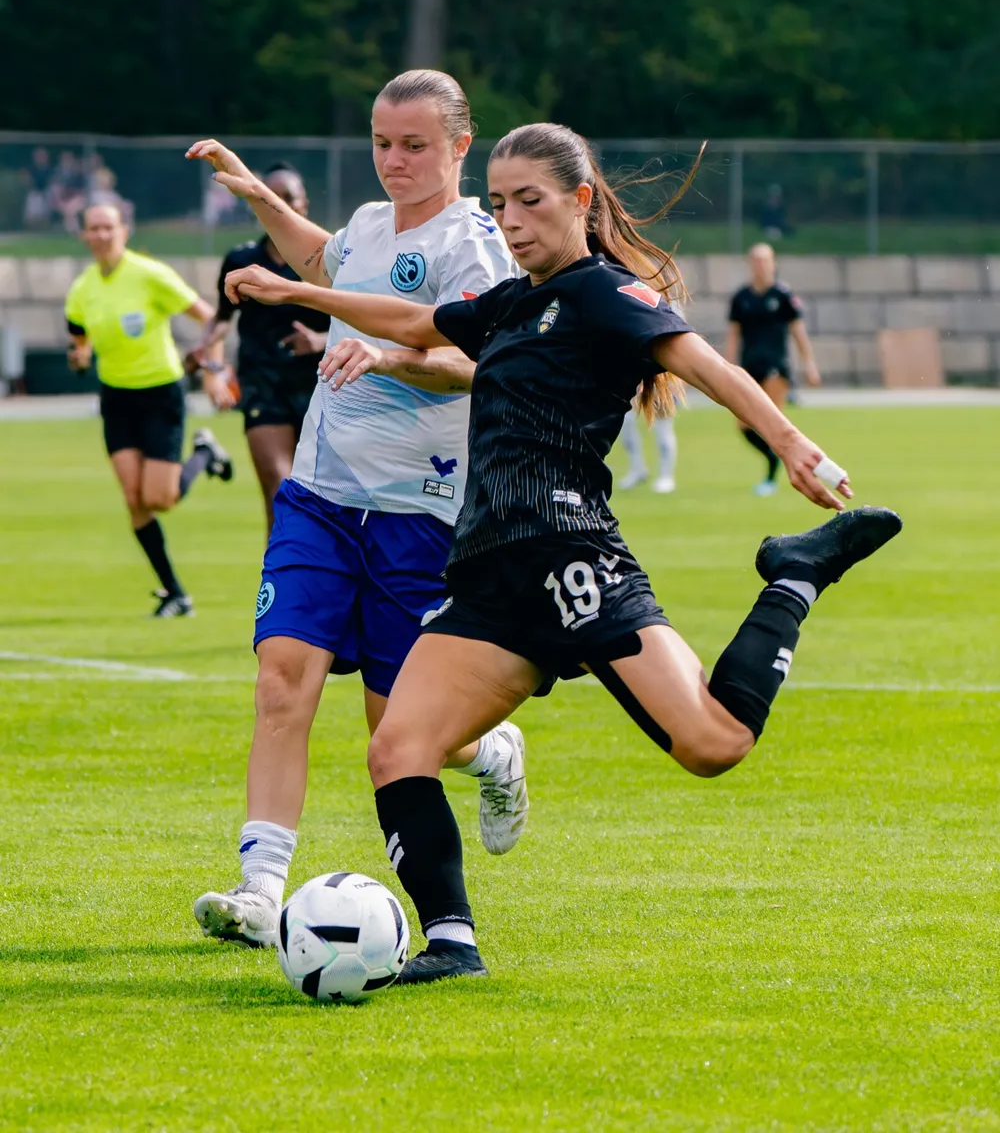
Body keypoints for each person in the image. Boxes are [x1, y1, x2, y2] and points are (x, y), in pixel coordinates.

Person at [224, 120, 902, 984]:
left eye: (531, 202)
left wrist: (791, 441)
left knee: (714, 743)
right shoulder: (513, 302)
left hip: (573, 563)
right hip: (487, 579)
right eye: (501, 204)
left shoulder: (603, 294)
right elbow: (414, 319)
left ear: (580, 201)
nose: (510, 222)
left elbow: (702, 365)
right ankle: (453, 945)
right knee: (397, 749)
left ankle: (797, 575)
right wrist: (302, 297)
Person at [185, 70, 528, 950]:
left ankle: (490, 752)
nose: (394, 161)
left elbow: (474, 366)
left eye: (415, 144)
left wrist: (385, 357)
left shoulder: (475, 246)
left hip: (420, 513)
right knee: (281, 680)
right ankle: (261, 889)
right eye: (382, 142)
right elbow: (320, 262)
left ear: (460, 146)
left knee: (400, 728)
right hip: (323, 498)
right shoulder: (372, 225)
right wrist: (259, 193)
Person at [64, 201, 234, 618]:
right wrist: (80, 357)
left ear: (124, 229)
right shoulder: (82, 289)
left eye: (109, 227)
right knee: (133, 499)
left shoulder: (150, 275)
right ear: (84, 236)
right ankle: (175, 593)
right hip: (116, 399)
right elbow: (79, 341)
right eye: (94, 229)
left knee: (160, 498)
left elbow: (211, 318)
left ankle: (204, 454)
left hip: (161, 394)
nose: (101, 235)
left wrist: (213, 371)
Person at [193, 162, 329, 534]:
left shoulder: (329, 257)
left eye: (288, 197)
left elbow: (361, 320)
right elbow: (223, 315)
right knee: (279, 488)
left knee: (325, 497)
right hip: (262, 383)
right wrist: (206, 346)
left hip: (321, 385)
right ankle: (281, 583)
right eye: (269, 197)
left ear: (305, 203)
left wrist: (319, 341)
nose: (278, 205)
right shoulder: (240, 259)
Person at [724, 243, 821, 496]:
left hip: (776, 368)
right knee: (744, 426)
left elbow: (798, 333)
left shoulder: (783, 295)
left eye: (765, 260)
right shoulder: (741, 298)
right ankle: (774, 460)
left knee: (772, 421)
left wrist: (809, 365)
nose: (760, 265)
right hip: (749, 367)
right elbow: (733, 335)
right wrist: (726, 367)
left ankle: (771, 478)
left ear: (773, 263)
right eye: (756, 260)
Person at [618, 406, 677, 492]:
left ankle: (666, 476)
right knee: (626, 420)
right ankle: (637, 469)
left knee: (663, 426)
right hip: (634, 392)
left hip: (659, 393)